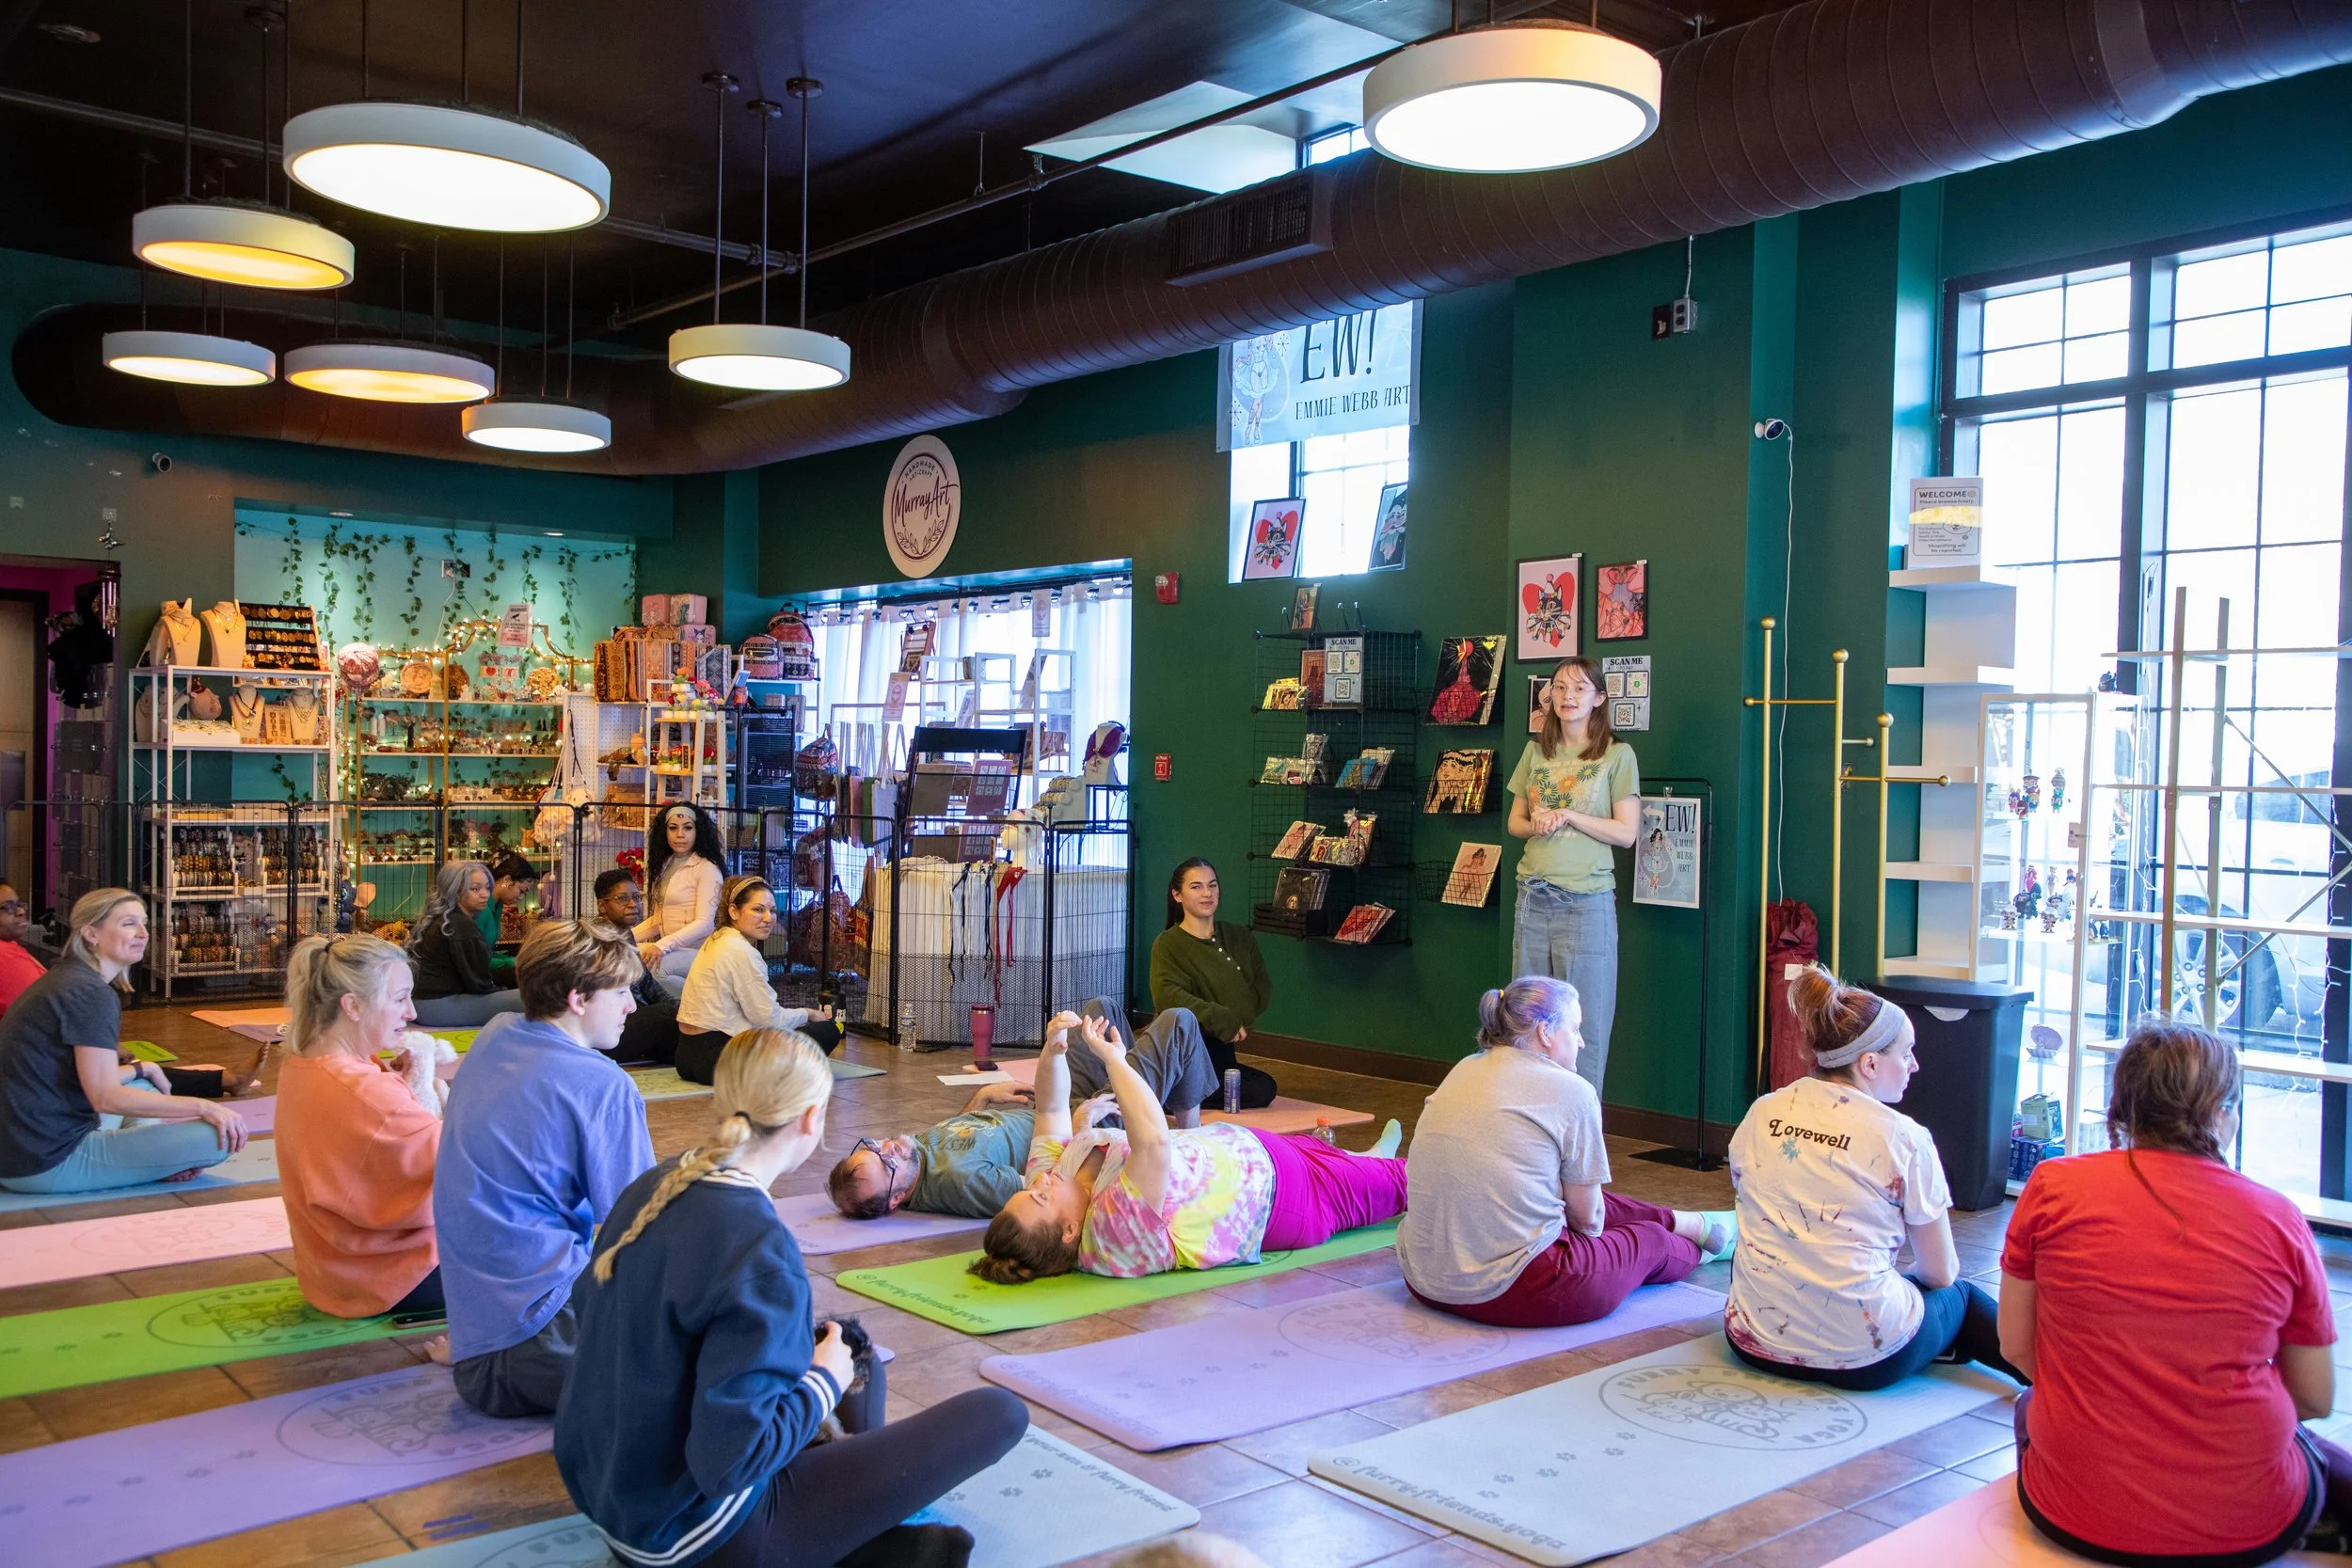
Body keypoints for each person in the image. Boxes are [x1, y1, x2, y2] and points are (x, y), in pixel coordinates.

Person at [558, 1026, 1026, 1568]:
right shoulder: (758, 1245)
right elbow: (728, 1463)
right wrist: (824, 1381)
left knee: (849, 1346)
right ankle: (865, 1538)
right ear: (811, 1117)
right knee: (999, 1412)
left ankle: (867, 1532)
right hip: (703, 1535)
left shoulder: (655, 1184)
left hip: (614, 1498)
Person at [2000, 1018, 2351, 1565]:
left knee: (2029, 1405)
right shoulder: (2280, 1218)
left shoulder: (2051, 1187)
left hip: (2070, 1514)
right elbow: (2314, 1398)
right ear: (2222, 1112)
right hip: (2251, 1522)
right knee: (2312, 1451)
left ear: (2122, 1106)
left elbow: (2017, 1349)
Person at [1724, 965, 2024, 1390]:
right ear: (1869, 1063)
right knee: (1961, 1298)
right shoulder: (1904, 1137)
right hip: (1867, 1360)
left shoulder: (1762, 1112)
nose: (1914, 1066)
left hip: (1751, 1340)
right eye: (1906, 1054)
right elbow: (1940, 1274)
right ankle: (2061, 1380)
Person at [970, 1012, 1405, 1284]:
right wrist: (1114, 1061)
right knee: (1411, 1180)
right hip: (1285, 1200)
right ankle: (1388, 1171)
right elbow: (1154, 1140)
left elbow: (1049, 1110)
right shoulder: (1110, 1236)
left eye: (1029, 1189)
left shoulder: (1056, 1181)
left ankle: (1367, 1160)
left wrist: (1053, 1053)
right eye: (1040, 1196)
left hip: (1253, 1152)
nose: (1039, 1180)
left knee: (1351, 1164)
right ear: (1068, 1231)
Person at [1402, 976, 1730, 1327]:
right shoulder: (1572, 1090)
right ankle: (1712, 1245)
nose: (1582, 1042)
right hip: (1517, 1289)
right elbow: (1588, 1222)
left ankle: (1691, 1222)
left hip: (1423, 1279)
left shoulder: (1464, 1068)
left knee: (1570, 1193)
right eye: (1575, 1030)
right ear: (1546, 1033)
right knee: (1651, 1243)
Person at [437, 919, 654, 1418]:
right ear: (578, 999)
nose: (631, 1006)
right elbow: (641, 1227)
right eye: (620, 991)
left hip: (477, 1353)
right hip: (546, 1342)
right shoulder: (601, 1084)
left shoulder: (495, 1035)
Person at [826, 999, 1225, 1220]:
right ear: (897, 1199)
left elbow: (957, 1135)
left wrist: (981, 1099)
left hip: (1056, 1103)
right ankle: (1187, 1142)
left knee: (1096, 1009)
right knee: (1180, 1022)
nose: (888, 1149)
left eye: (873, 1146)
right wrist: (1080, 1128)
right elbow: (1048, 1189)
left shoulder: (915, 1156)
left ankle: (1154, 1082)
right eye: (886, 1164)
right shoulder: (961, 1185)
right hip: (1085, 1124)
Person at [0, 888, 246, 1193]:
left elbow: (80, 1077)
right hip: (46, 1162)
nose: (142, 933)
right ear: (91, 933)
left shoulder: (70, 977)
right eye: (128, 923)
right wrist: (203, 1107)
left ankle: (150, 1161)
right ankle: (153, 1164)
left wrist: (142, 1068)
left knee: (143, 1084)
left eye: (143, 923)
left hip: (18, 1152)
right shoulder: (91, 994)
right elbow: (105, 1097)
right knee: (218, 1135)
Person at [276, 933, 447, 1320]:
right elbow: (464, 1173)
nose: (411, 1012)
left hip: (332, 1273)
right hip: (400, 1275)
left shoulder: (301, 1064)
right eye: (400, 998)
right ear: (352, 1005)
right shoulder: (365, 1089)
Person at [1506, 656, 1640, 1101]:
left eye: (1580, 688)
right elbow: (1516, 823)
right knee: (1526, 1022)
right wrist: (1539, 822)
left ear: (1599, 698)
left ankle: (1580, 1137)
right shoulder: (1535, 752)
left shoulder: (1618, 755)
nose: (1568, 697)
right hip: (1533, 897)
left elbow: (1626, 833)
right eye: (1560, 688)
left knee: (1585, 1025)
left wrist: (1570, 816)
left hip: (1586, 902)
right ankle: (1530, 1129)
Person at [675, 875, 840, 1083]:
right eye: (758, 910)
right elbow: (768, 1020)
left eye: (772, 911)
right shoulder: (741, 951)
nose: (769, 918)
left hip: (686, 1057)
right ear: (733, 911)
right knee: (827, 1030)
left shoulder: (717, 940)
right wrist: (806, 1013)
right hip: (718, 1061)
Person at [1148, 858, 1279, 1110]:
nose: (1207, 893)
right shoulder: (1168, 944)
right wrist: (1220, 1017)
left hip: (1223, 1052)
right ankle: (1167, 1092)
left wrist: (1235, 1016)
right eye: (1196, 887)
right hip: (1186, 1052)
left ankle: (1172, 1094)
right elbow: (1169, 998)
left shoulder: (1239, 936)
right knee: (1252, 1090)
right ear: (1177, 895)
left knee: (1264, 1088)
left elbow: (1260, 988)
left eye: (1212, 885)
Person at [407, 861, 523, 1027]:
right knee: (534, 998)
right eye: (475, 889)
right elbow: (479, 985)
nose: (485, 894)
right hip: (438, 1008)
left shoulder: (445, 919)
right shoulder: (460, 925)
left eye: (487, 887)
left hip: (423, 1004)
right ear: (455, 891)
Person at [635, 804, 725, 992]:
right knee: (623, 955)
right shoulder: (665, 865)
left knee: (653, 971)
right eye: (673, 828)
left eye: (688, 827)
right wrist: (624, 938)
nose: (680, 834)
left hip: (700, 951)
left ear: (698, 831)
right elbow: (657, 920)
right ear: (664, 831)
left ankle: (706, 1003)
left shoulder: (707, 868)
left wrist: (661, 946)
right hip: (672, 949)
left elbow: (705, 923)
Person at [594, 868, 680, 1065]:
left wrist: (682, 1008)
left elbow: (647, 983)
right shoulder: (602, 937)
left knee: (678, 1013)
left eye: (636, 897)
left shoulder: (623, 931)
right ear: (602, 906)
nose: (633, 904)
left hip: (627, 1024)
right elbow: (627, 998)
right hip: (606, 1033)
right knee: (665, 1016)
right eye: (622, 899)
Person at [480, 851, 538, 983]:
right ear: (506, 880)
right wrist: (513, 962)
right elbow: (476, 959)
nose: (521, 898)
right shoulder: (481, 907)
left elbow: (486, 954)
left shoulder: (497, 905)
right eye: (521, 891)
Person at [0, 880, 43, 1018]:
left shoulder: (9, 945)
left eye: (18, 904)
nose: (21, 911)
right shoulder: (5, 957)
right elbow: (40, 1013)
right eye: (7, 907)